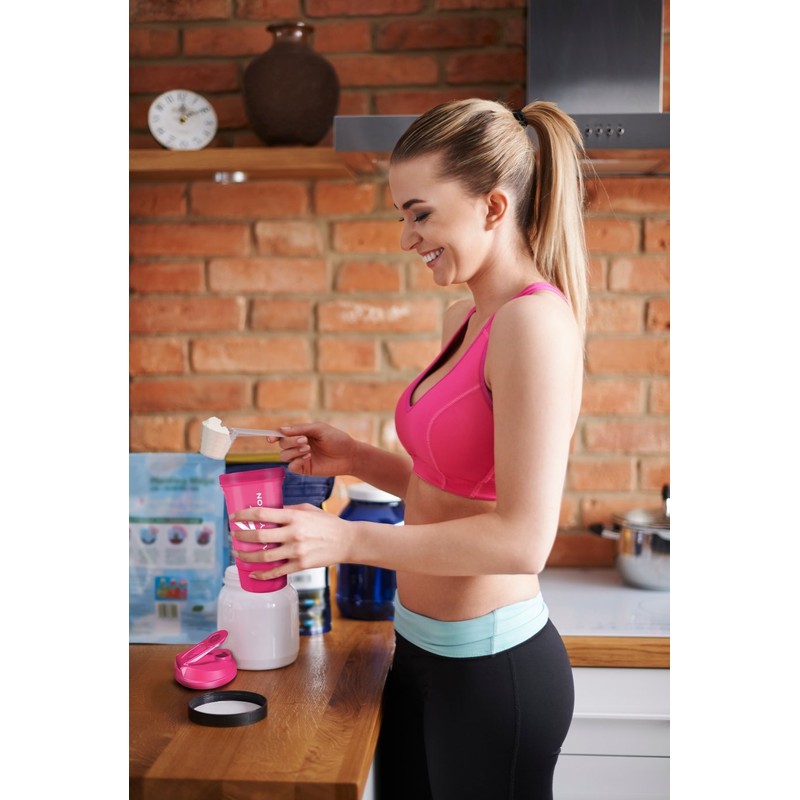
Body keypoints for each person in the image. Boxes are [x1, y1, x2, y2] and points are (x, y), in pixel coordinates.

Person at [230, 98, 589, 800]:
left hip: (492, 673)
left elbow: (522, 542)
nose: (406, 237)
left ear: (492, 206)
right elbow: (453, 487)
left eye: (420, 214)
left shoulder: (534, 325)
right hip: (420, 652)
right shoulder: (469, 317)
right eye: (402, 215)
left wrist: (344, 541)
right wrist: (359, 460)